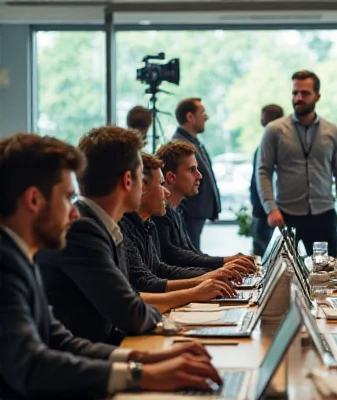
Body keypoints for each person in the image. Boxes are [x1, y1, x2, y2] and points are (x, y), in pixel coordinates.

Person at [0, 133, 222, 399]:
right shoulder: (6, 265)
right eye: (67, 197)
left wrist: (143, 359)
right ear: (34, 200)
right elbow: (32, 367)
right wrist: (141, 374)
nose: (73, 212)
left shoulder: (20, 254)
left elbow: (58, 340)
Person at [37, 126, 232, 345]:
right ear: (128, 181)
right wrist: (180, 312)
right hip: (89, 361)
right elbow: (131, 313)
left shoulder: (105, 226)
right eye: (142, 176)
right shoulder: (83, 229)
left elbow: (131, 299)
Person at [257, 70, 337, 257]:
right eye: (295, 93)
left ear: (317, 96)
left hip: (323, 214)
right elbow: (263, 171)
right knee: (285, 273)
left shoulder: (333, 132)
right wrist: (271, 208)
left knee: (326, 272)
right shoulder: (274, 130)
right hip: (286, 215)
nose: (298, 98)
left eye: (305, 93)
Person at [119, 152, 245, 294]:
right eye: (161, 184)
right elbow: (146, 281)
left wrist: (211, 275)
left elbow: (159, 267)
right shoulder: (123, 228)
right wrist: (202, 281)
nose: (199, 176)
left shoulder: (149, 222)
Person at [153, 141, 257, 272]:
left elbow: (192, 254)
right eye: (192, 170)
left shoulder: (177, 210)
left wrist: (227, 264)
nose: (199, 176)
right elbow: (174, 257)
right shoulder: (159, 213)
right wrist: (223, 264)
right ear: (171, 177)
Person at [172, 98, 220, 252]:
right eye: (202, 113)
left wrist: (213, 207)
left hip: (197, 212)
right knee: (190, 255)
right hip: (189, 212)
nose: (206, 117)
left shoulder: (193, 142)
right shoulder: (180, 144)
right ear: (190, 117)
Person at [250, 104, 284, 255]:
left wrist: (269, 208)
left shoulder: (274, 145)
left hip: (268, 212)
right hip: (262, 209)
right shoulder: (268, 143)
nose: (260, 120)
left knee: (267, 253)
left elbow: (265, 177)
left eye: (263, 116)